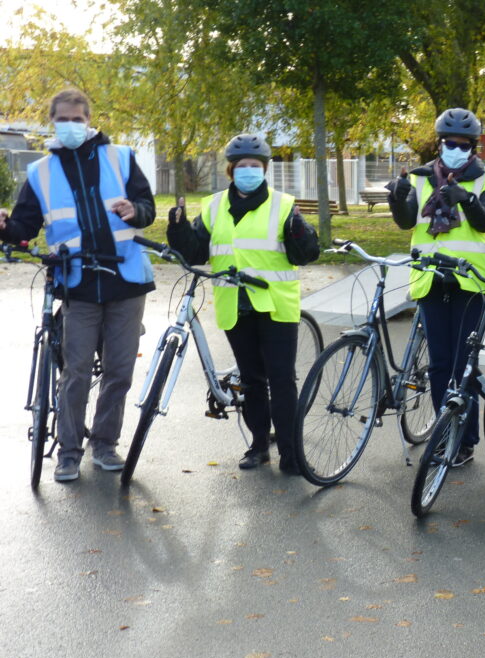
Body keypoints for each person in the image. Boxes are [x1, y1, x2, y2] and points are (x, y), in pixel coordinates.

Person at [0, 88, 156, 483]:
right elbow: (24, 227)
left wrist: (134, 211)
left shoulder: (121, 158)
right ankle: (68, 452)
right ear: (53, 122)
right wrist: (5, 228)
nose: (70, 126)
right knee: (76, 373)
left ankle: (104, 444)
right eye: (63, 119)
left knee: (119, 372)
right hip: (77, 283)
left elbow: (147, 209)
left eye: (77, 119)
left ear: (89, 121)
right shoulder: (41, 173)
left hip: (126, 281)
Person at [166, 134, 319, 474]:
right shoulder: (214, 206)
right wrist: (177, 229)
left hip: (275, 305)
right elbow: (194, 252)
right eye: (242, 166)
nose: (249, 171)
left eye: (256, 166)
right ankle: (259, 446)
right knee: (251, 381)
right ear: (230, 170)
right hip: (235, 305)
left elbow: (307, 254)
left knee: (281, 380)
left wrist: (299, 232)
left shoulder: (282, 205)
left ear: (264, 170)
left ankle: (292, 453)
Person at [386, 108, 485, 467]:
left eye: (464, 144)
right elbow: (408, 220)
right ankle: (443, 433)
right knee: (440, 364)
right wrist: (398, 196)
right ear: (439, 144)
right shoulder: (423, 178)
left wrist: (466, 198)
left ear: (473, 148)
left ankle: (465, 440)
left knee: (463, 365)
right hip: (431, 279)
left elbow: (484, 224)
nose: (456, 149)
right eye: (449, 143)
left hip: (471, 282)